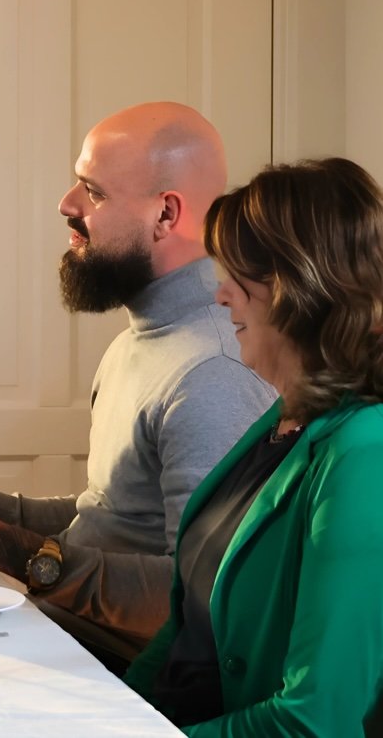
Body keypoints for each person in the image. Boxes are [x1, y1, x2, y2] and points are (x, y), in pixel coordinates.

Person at [0, 101, 274, 667]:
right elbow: (107, 518)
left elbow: (202, 601)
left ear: (166, 214)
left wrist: (1, 545)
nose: (67, 204)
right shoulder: (142, 342)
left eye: (94, 191)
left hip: (116, 678)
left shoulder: (211, 374)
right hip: (61, 632)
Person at [125, 157, 383, 734]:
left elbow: (315, 720)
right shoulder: (282, 416)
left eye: (239, 279)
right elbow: (190, 626)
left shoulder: (365, 451)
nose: (222, 297)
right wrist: (108, 714)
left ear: (302, 288)